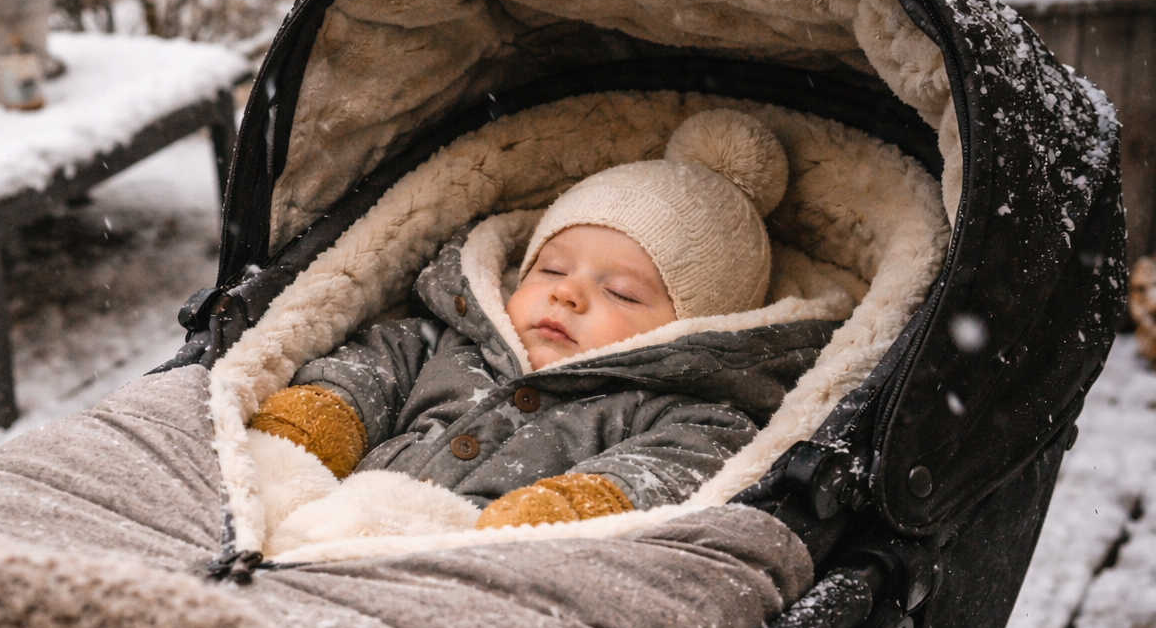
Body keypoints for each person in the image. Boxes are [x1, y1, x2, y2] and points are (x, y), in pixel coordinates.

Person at [248, 109, 834, 529]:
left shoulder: (686, 414)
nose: (568, 297)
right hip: (328, 530)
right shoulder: (444, 343)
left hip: (483, 575)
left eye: (623, 294)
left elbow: (676, 470)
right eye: (551, 271)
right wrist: (316, 422)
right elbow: (368, 367)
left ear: (689, 333)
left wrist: (566, 512)